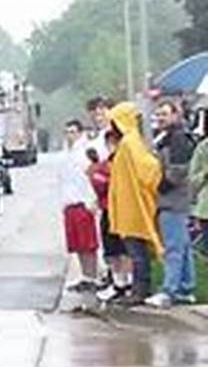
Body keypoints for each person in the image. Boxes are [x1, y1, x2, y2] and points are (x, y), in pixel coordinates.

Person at [104, 102, 163, 305]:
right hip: (127, 206)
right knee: (135, 250)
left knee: (137, 252)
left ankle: (141, 289)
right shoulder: (128, 142)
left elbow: (149, 169)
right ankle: (139, 288)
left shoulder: (130, 143)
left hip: (133, 207)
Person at [147, 99, 196, 308]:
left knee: (173, 248)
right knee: (183, 247)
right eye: (158, 114)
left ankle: (169, 290)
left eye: (164, 114)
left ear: (176, 115)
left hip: (173, 201)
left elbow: (178, 170)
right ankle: (185, 287)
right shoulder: (167, 138)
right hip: (174, 201)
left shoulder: (177, 140)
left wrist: (160, 186)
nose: (160, 118)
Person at [89, 133, 132, 299]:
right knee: (111, 247)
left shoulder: (125, 163)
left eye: (115, 143)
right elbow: (99, 183)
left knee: (124, 248)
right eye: (109, 143)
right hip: (108, 208)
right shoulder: (104, 165)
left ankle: (127, 281)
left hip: (124, 209)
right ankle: (117, 281)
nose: (112, 147)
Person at [59, 120, 100, 291]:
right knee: (77, 244)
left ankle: (92, 276)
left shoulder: (86, 152)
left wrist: (92, 200)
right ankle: (85, 276)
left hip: (83, 203)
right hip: (70, 203)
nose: (70, 135)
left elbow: (93, 177)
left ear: (81, 132)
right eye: (67, 132)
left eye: (73, 131)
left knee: (88, 244)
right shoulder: (66, 154)